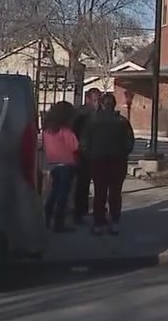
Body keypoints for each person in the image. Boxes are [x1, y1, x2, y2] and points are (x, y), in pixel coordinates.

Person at [80, 92, 135, 235]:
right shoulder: (122, 122)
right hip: (117, 160)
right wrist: (123, 153)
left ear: (102, 104)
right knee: (115, 193)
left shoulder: (92, 122)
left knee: (100, 192)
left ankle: (99, 222)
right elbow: (130, 142)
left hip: (98, 161)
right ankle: (115, 221)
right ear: (114, 105)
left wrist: (89, 155)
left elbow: (84, 142)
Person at [41, 101, 79, 232]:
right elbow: (75, 146)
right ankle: (58, 223)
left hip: (53, 163)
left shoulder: (47, 129)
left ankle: (46, 218)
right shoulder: (65, 130)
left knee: (53, 193)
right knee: (63, 195)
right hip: (67, 164)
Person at [71, 87, 102, 225]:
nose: (97, 103)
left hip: (98, 153)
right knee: (82, 185)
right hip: (84, 153)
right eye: (95, 100)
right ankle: (80, 212)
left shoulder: (102, 113)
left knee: (100, 185)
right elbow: (73, 132)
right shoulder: (80, 113)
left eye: (99, 100)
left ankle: (97, 211)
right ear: (88, 99)